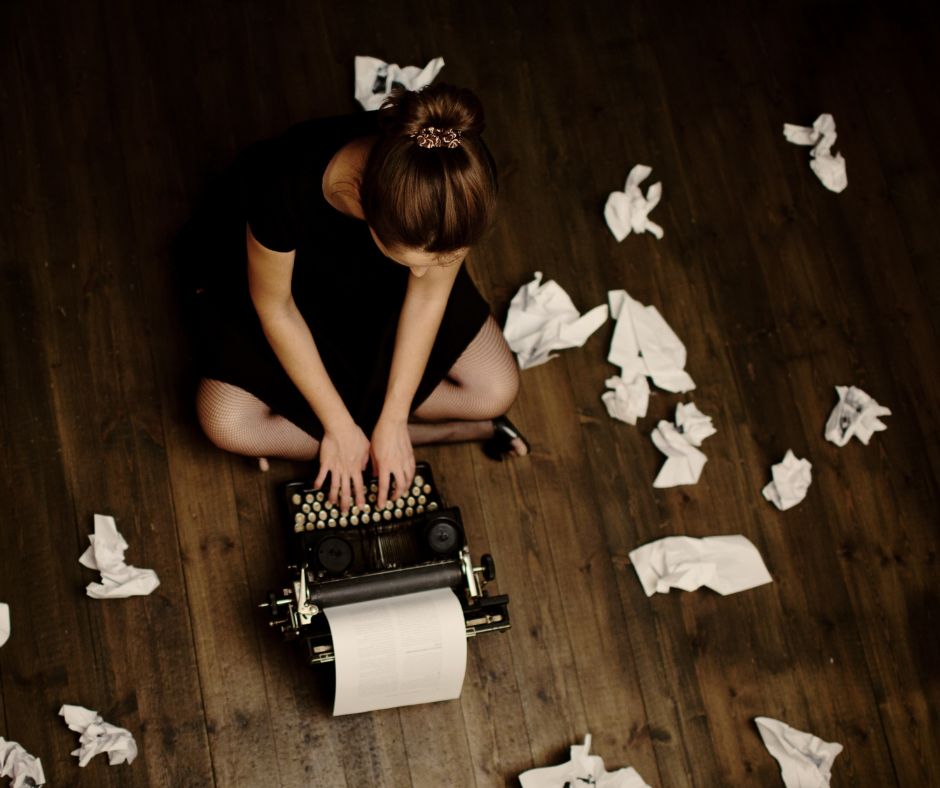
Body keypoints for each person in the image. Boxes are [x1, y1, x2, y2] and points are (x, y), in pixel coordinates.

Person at [177, 83, 528, 513]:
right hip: (289, 292)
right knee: (225, 422)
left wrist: (396, 417)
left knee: (495, 389)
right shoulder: (285, 188)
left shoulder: (454, 177)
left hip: (378, 292)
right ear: (366, 205)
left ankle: (369, 436)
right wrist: (338, 425)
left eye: (441, 259)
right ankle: (446, 432)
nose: (423, 274)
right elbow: (277, 309)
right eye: (414, 261)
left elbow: (427, 297)